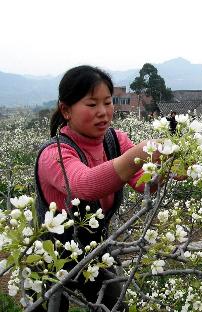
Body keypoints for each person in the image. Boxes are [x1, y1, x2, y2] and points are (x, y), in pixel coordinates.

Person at [34, 65, 160, 311]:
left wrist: (164, 170)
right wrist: (140, 153)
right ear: (66, 110)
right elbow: (84, 185)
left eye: (108, 102)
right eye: (92, 105)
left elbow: (141, 182)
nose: (103, 112)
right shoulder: (55, 153)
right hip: (51, 255)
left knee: (114, 305)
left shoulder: (115, 140)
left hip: (94, 252)